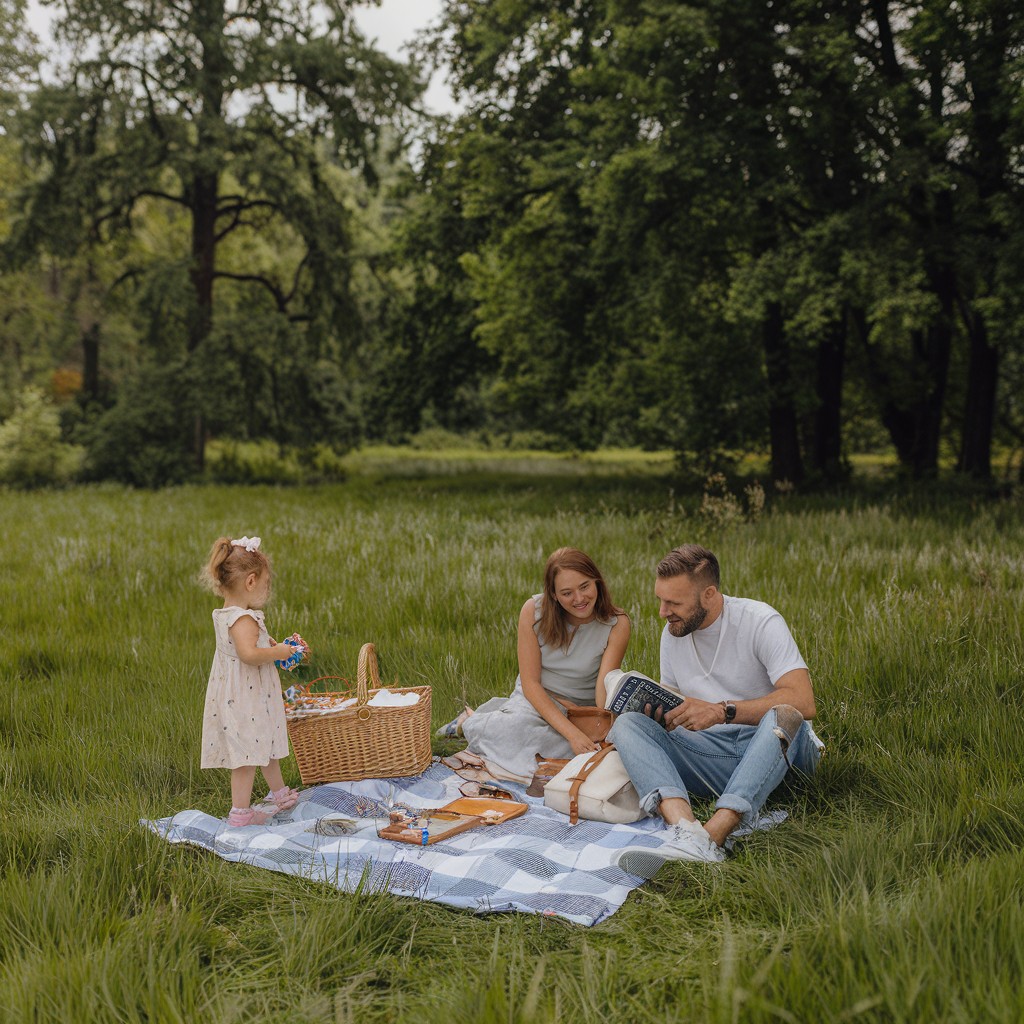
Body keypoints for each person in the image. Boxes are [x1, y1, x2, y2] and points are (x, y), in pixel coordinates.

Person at [611, 544, 821, 873]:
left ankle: (714, 837)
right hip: (714, 755)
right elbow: (676, 700)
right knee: (627, 726)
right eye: (660, 600)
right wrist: (659, 714)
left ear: (708, 594)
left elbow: (804, 701)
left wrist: (721, 711)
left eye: (673, 603)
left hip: (776, 752)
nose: (663, 612)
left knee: (785, 714)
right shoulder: (673, 633)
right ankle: (686, 830)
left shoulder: (760, 621)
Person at [442, 547, 631, 783]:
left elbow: (602, 695)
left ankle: (496, 718)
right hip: (536, 700)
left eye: (585, 587)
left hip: (580, 709)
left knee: (583, 756)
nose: (579, 599)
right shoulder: (533, 611)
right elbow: (531, 684)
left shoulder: (617, 623)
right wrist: (572, 734)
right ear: (553, 594)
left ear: (597, 582)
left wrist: (594, 728)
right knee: (515, 733)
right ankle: (470, 721)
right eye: (567, 593)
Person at [199, 535, 301, 827]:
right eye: (267, 585)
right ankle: (240, 813)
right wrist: (277, 651)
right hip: (246, 695)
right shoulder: (242, 619)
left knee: (263, 740)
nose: (267, 592)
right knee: (247, 754)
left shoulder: (230, 613)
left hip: (244, 692)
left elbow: (247, 646)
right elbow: (247, 654)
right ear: (251, 581)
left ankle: (278, 792)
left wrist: (269, 643)